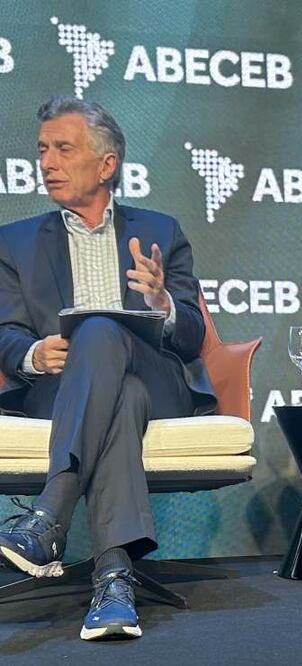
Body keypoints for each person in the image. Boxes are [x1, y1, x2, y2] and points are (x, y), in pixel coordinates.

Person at [0, 96, 215, 639]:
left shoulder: (161, 231)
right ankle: (114, 579)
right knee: (119, 399)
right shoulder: (15, 242)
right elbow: (4, 334)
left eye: (62, 149)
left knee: (99, 330)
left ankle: (49, 515)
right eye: (42, 150)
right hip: (68, 390)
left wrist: (165, 304)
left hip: (160, 380)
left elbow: (190, 337)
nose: (45, 162)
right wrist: (31, 354)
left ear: (106, 164)